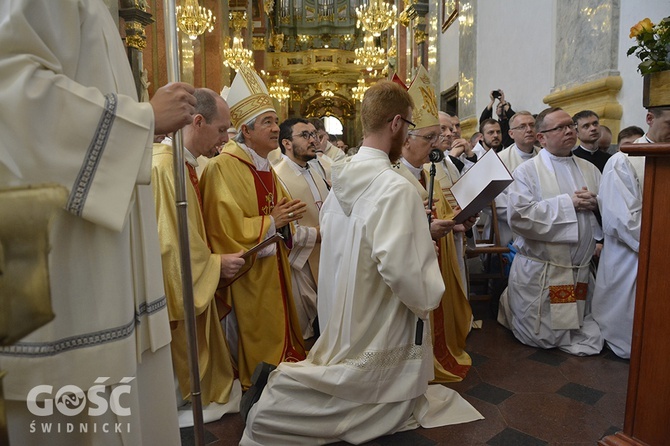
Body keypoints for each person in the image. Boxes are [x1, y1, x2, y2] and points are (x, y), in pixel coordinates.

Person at [241, 80, 482, 445]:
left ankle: (287, 394)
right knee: (379, 402)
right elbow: (405, 272)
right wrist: (428, 283)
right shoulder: (394, 186)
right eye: (412, 126)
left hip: (346, 306)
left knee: (348, 370)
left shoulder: (342, 178)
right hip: (381, 314)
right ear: (397, 124)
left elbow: (348, 241)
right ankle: (281, 400)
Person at [0, 1, 196, 444]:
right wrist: (143, 119)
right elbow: (11, 95)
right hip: (70, 282)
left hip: (112, 275)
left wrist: (136, 123)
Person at [199, 64, 307, 391]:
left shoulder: (265, 166)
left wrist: (286, 221)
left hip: (272, 268)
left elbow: (283, 211)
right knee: (257, 341)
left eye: (275, 121)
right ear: (246, 131)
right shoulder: (222, 168)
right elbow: (221, 227)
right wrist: (273, 221)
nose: (276, 128)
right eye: (268, 122)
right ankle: (260, 379)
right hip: (247, 276)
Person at [151, 89, 246, 410]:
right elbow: (169, 246)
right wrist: (216, 265)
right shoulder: (167, 168)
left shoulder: (186, 164)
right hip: (176, 297)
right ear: (198, 121)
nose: (225, 139)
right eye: (221, 130)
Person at [499, 107, 604, 356]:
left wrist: (596, 203)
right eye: (559, 127)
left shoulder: (590, 169)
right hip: (543, 269)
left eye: (570, 125)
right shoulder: (526, 172)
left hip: (578, 268)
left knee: (578, 324)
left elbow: (610, 207)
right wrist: (570, 203)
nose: (568, 130)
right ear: (542, 137)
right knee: (542, 335)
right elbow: (520, 216)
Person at [396, 67, 473, 382]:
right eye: (429, 138)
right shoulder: (394, 177)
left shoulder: (426, 172)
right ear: (405, 140)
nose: (437, 144)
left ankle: (437, 352)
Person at [592, 107, 670, 358]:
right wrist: (661, 245)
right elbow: (622, 220)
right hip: (633, 256)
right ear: (650, 118)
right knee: (629, 324)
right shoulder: (623, 160)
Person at [273, 118, 330, 339]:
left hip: (326, 258)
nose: (313, 140)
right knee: (306, 328)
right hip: (300, 264)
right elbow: (284, 229)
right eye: (305, 135)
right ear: (287, 143)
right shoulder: (278, 177)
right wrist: (318, 234)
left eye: (314, 134)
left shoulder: (317, 172)